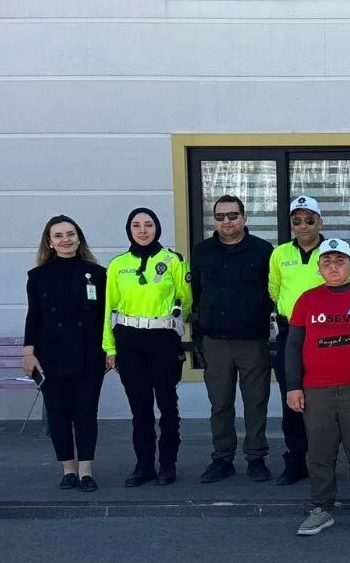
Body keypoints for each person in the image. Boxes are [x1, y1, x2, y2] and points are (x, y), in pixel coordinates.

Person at [287, 238, 350, 537]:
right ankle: (321, 509)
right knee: (319, 452)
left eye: (340, 261)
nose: (334, 267)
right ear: (319, 268)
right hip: (316, 390)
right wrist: (293, 387)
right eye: (327, 262)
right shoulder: (306, 300)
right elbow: (293, 345)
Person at [104, 208, 191, 488]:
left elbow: (186, 299)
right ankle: (144, 465)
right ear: (129, 229)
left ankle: (168, 464)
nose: (143, 230)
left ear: (158, 228)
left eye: (149, 224)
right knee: (140, 408)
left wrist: (172, 327)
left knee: (167, 405)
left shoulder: (173, 260)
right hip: (129, 340)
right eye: (137, 225)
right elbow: (108, 308)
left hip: (162, 339)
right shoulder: (118, 264)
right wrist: (110, 348)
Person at [191, 195, 275, 485]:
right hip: (215, 341)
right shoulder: (202, 251)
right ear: (214, 220)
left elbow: (273, 293)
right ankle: (222, 459)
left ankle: (256, 458)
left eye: (233, 215)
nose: (227, 221)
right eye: (220, 216)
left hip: (253, 340)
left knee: (255, 402)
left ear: (244, 218)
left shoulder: (264, 251)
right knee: (220, 403)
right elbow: (197, 295)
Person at [23, 215, 107, 492]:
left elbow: (106, 317)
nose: (65, 239)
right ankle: (68, 469)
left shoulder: (97, 274)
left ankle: (85, 472)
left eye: (70, 234)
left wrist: (110, 350)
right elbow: (34, 317)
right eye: (58, 235)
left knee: (85, 413)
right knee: (58, 415)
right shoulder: (37, 277)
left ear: (79, 238)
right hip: (51, 356)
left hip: (88, 354)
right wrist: (29, 353)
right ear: (49, 242)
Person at [268, 195, 327, 486]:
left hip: (325, 336)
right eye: (296, 221)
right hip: (290, 335)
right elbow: (274, 291)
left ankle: (324, 462)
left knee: (325, 401)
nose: (303, 225)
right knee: (292, 398)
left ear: (320, 221)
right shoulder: (279, 254)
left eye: (309, 219)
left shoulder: (331, 252)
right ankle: (295, 462)